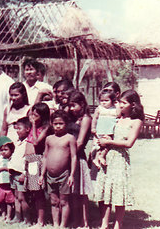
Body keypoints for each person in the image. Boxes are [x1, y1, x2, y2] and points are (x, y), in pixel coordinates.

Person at [94, 90, 143, 229]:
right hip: (108, 156)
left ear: (133, 104)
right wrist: (105, 142)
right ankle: (104, 224)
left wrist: (109, 142)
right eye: (119, 102)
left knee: (118, 192)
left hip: (120, 158)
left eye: (124, 103)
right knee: (105, 191)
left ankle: (118, 224)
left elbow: (128, 143)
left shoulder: (136, 121)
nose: (120, 105)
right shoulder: (117, 118)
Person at [39, 110, 77, 228]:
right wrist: (42, 174)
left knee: (64, 201)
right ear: (51, 124)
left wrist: (72, 175)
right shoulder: (49, 138)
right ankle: (55, 224)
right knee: (54, 201)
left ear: (66, 124)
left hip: (64, 175)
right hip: (50, 175)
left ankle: (62, 225)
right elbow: (45, 157)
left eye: (61, 123)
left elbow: (73, 156)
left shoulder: (70, 138)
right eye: (55, 123)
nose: (58, 126)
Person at [67, 91, 93, 228]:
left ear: (82, 104)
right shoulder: (70, 118)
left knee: (81, 193)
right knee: (72, 193)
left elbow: (80, 142)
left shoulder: (86, 118)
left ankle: (85, 223)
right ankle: (75, 220)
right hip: (69, 157)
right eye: (69, 106)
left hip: (77, 157)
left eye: (73, 105)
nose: (71, 109)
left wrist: (69, 155)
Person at [26, 102, 51, 227]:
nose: (33, 117)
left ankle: (41, 220)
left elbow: (36, 142)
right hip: (30, 160)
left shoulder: (45, 127)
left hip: (37, 159)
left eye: (36, 115)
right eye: (32, 114)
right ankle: (35, 217)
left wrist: (34, 125)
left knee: (38, 192)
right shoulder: (32, 124)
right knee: (33, 192)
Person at [8, 117, 35, 223]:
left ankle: (27, 219)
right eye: (16, 129)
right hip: (13, 173)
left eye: (19, 128)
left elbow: (28, 160)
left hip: (21, 174)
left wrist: (24, 173)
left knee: (22, 197)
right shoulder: (17, 142)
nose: (17, 131)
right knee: (16, 197)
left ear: (28, 129)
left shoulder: (28, 143)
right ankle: (18, 216)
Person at [91, 90, 118, 167]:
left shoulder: (114, 109)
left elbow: (118, 115)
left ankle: (101, 156)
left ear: (112, 101)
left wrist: (117, 104)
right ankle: (96, 159)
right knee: (98, 145)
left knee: (107, 145)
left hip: (110, 131)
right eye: (101, 100)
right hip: (100, 130)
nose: (103, 102)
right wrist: (93, 127)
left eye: (106, 100)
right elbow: (94, 119)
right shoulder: (99, 108)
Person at [0, 136, 15, 223]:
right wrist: (4, 168)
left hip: (9, 184)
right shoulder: (0, 159)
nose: (3, 152)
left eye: (6, 150)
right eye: (2, 150)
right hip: (1, 184)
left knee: (9, 201)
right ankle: (3, 215)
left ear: (11, 150)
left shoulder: (12, 159)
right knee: (1, 200)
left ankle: (9, 216)